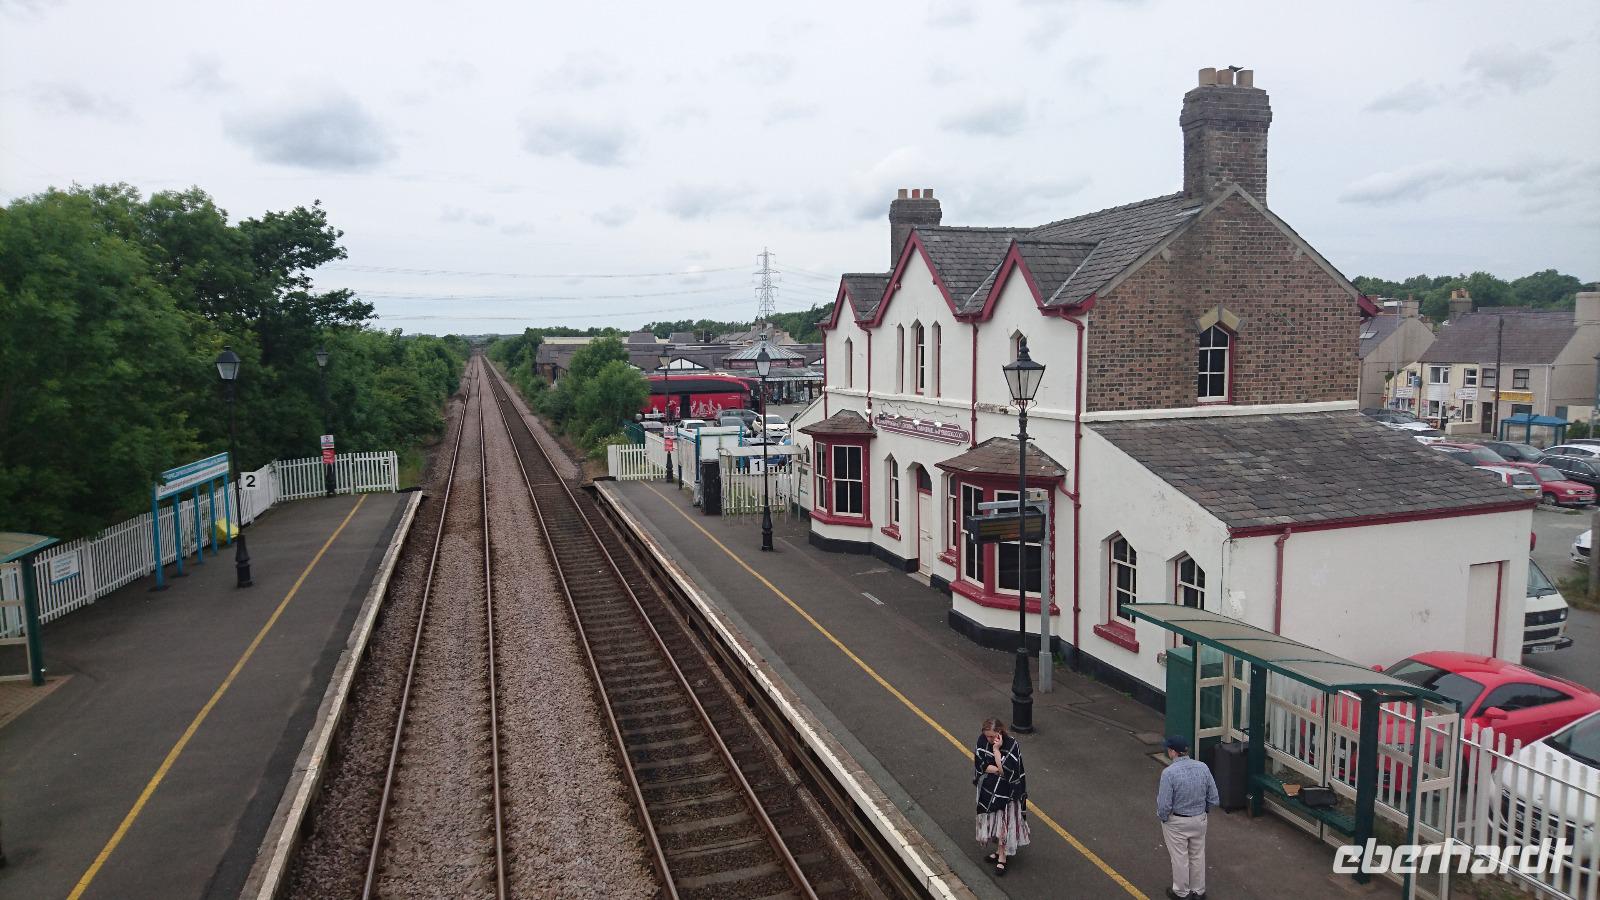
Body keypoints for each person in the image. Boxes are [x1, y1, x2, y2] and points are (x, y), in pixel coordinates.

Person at [1156, 735, 1218, 900]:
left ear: (1173, 752)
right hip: (1199, 819)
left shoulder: (1169, 773)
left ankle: (1181, 893)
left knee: (1179, 857)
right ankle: (1199, 892)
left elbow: (1164, 805)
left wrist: (1164, 818)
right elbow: (1214, 797)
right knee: (1197, 855)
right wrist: (1203, 810)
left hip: (1177, 821)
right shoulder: (1203, 767)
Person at [972, 717, 1030, 876]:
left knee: (1004, 824)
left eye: (992, 736)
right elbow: (981, 765)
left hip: (1008, 793)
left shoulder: (1012, 745)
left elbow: (1009, 772)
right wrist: (998, 768)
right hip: (989, 791)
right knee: (995, 822)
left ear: (999, 732)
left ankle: (1002, 857)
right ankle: (999, 851)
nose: (989, 740)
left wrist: (997, 751)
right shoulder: (982, 740)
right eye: (987, 736)